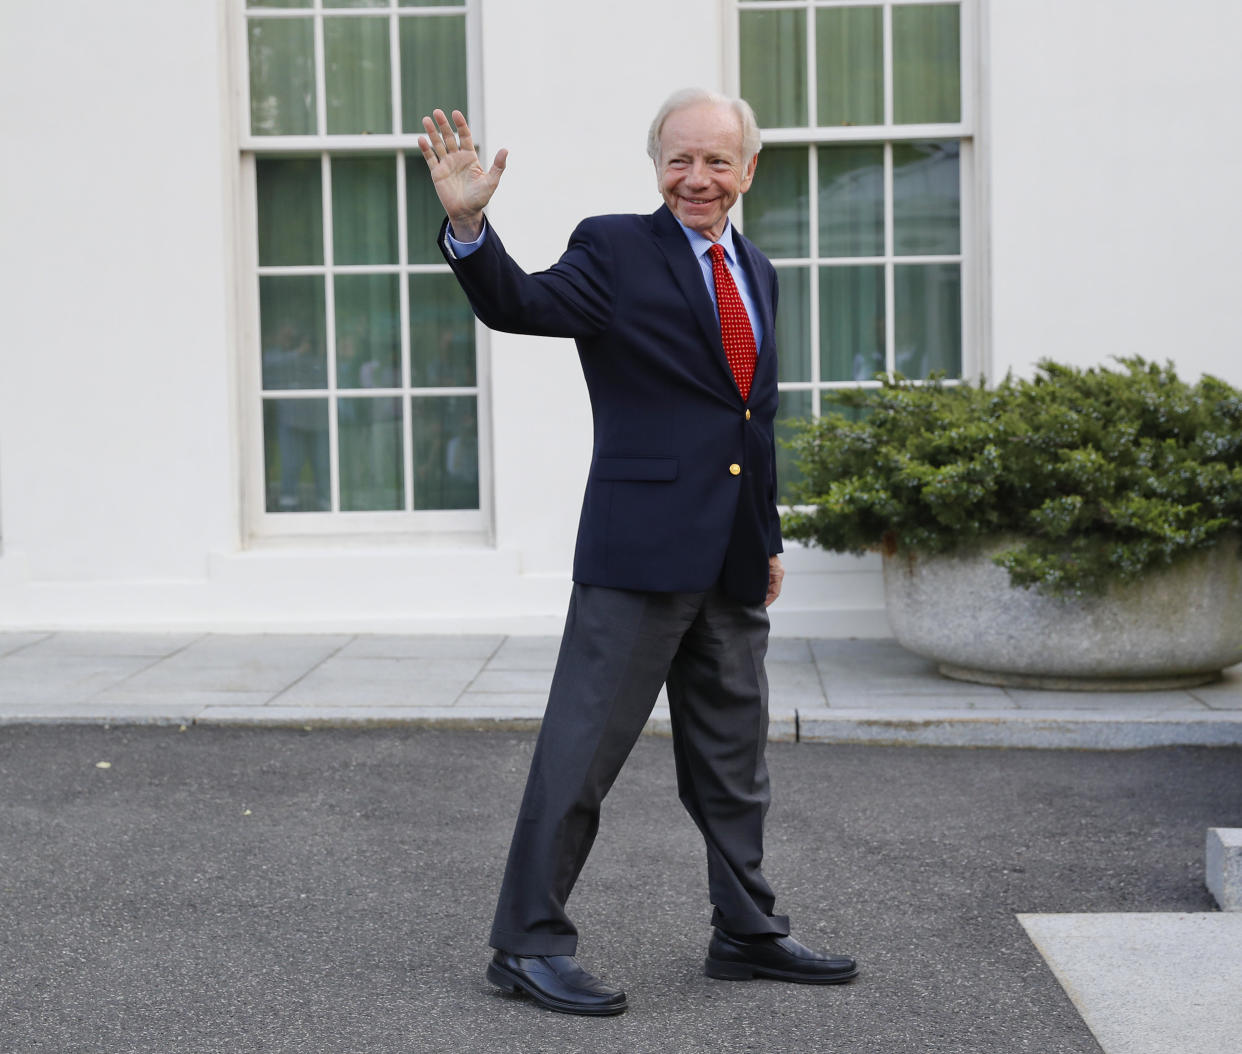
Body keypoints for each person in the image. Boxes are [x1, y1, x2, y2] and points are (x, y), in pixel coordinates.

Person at [417, 89, 858, 1017]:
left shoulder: (759, 271)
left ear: (749, 169)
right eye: (678, 160)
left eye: (717, 162)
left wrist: (768, 538)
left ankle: (746, 930)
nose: (697, 179)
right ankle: (525, 946)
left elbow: (756, 418)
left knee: (735, 762)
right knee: (580, 758)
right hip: (636, 554)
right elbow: (519, 304)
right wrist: (468, 228)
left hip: (732, 557)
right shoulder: (615, 247)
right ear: (656, 163)